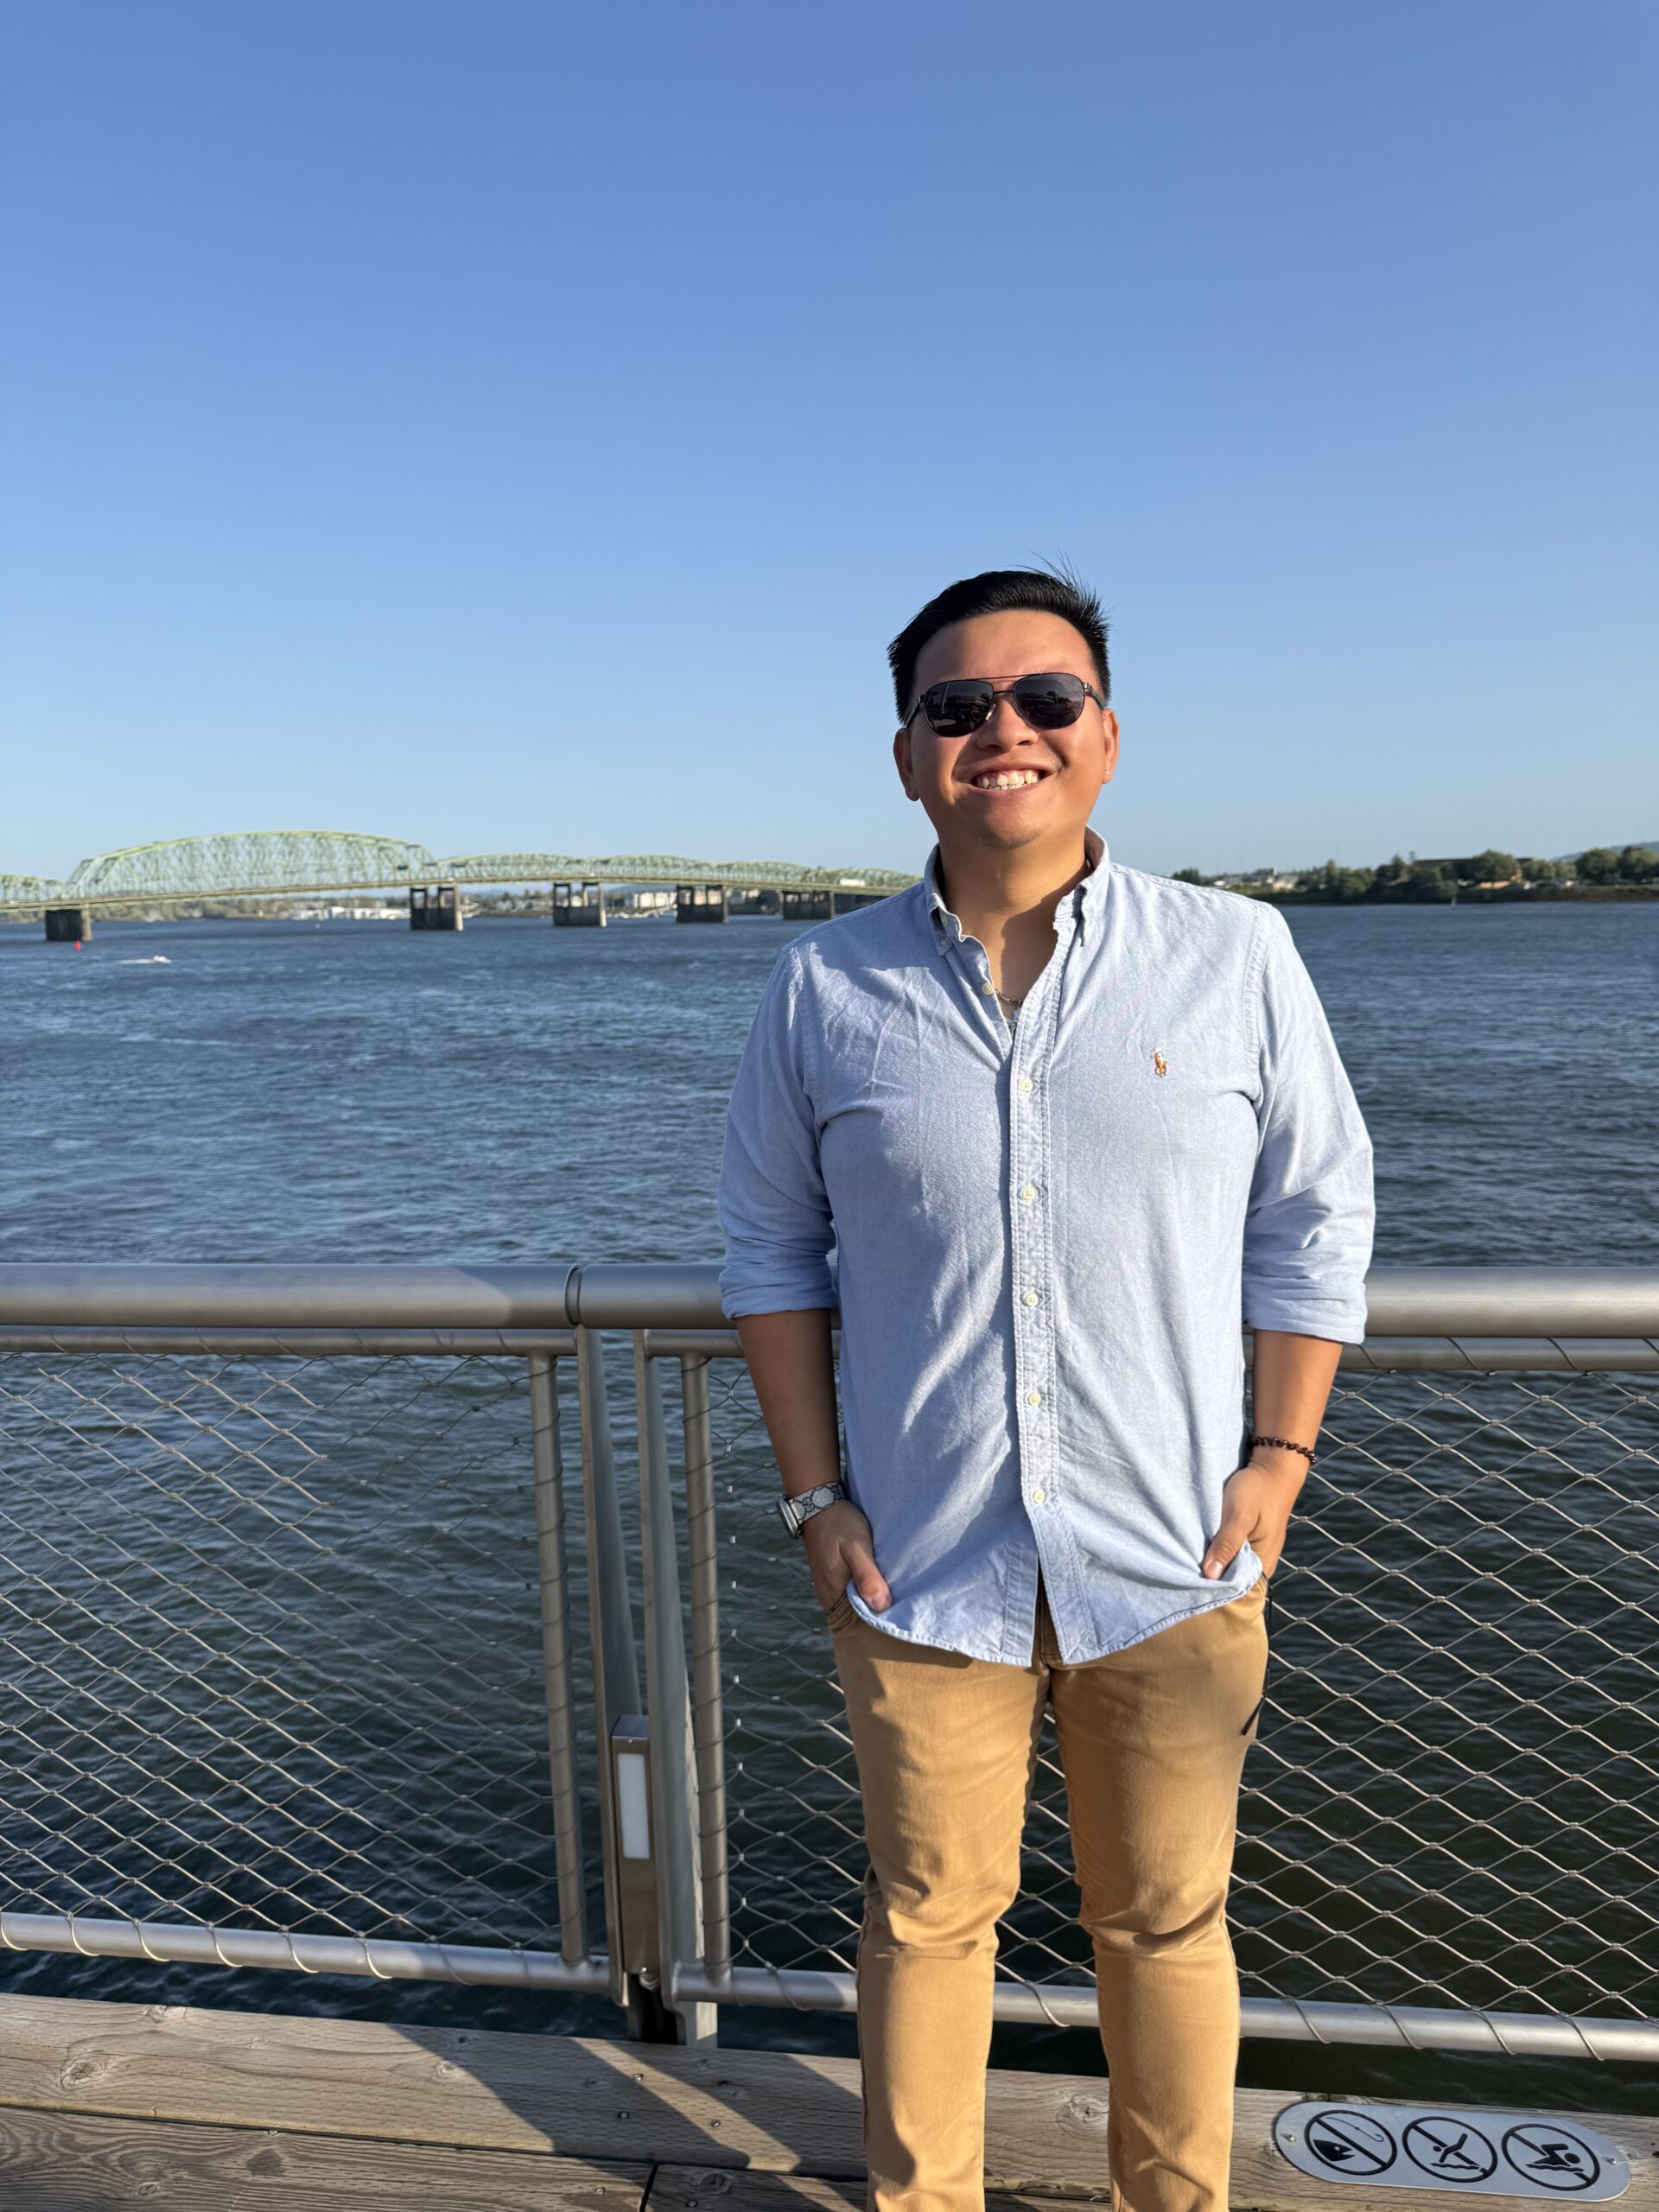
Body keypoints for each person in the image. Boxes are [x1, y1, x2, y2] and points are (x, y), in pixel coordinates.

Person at [716, 568, 1374, 2212]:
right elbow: (772, 1257)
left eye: (1042, 700)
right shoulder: (823, 990)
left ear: (1105, 736)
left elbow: (1314, 1219)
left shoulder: (1235, 955)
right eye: (957, 707)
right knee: (929, 1914)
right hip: (921, 1556)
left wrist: (1278, 1461)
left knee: (1168, 1921)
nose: (1000, 731)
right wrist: (815, 1499)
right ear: (907, 755)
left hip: (1173, 1549)